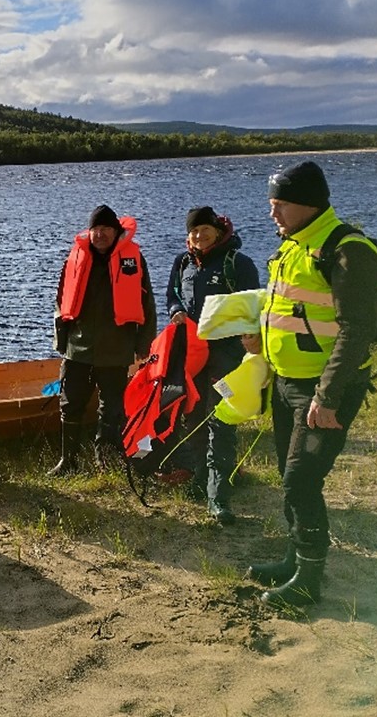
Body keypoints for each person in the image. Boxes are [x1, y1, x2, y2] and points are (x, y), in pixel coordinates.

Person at [244, 160, 377, 607]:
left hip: (320, 389)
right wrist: (260, 337)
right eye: (271, 204)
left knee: (301, 481)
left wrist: (327, 396)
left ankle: (308, 580)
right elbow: (296, 312)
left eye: (278, 204)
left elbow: (356, 328)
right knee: (290, 474)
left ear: (305, 203)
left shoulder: (346, 249)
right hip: (287, 383)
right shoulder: (294, 244)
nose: (272, 214)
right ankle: (293, 559)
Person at [165, 206, 261, 524]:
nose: (199, 236)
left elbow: (253, 307)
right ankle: (201, 479)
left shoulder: (238, 263)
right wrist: (176, 310)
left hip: (227, 355)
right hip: (192, 353)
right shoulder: (183, 263)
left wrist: (252, 339)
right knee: (192, 414)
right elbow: (172, 295)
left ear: (218, 232)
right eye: (193, 231)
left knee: (221, 418)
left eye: (205, 230)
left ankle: (219, 493)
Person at [49, 205, 157, 475]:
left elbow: (147, 302)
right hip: (78, 348)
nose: (100, 235)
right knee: (70, 404)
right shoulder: (75, 258)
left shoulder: (133, 259)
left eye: (106, 229)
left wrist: (144, 344)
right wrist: (60, 341)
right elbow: (60, 300)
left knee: (112, 408)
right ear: (90, 231)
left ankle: (104, 460)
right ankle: (68, 462)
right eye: (96, 229)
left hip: (116, 348)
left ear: (116, 231)